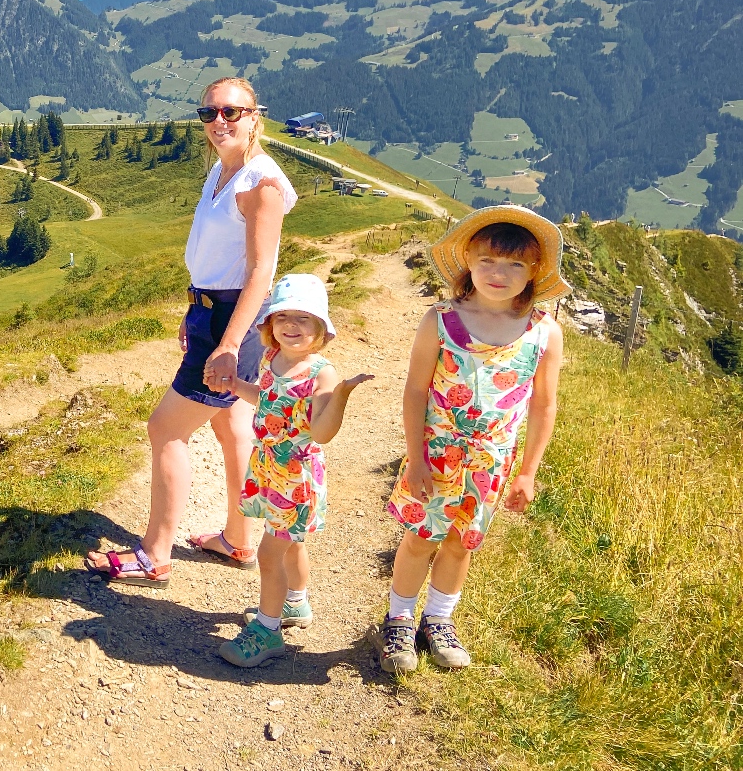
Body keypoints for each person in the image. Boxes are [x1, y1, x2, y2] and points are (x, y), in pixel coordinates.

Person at [86, 78, 297, 587]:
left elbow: (259, 273)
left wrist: (226, 343)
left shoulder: (260, 184)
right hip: (213, 311)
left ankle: (154, 553)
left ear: (255, 116)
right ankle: (240, 538)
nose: (218, 122)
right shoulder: (225, 173)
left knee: (166, 428)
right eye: (209, 113)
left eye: (231, 111)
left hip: (233, 323)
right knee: (231, 425)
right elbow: (216, 256)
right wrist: (194, 303)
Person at [374, 206, 567, 672]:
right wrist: (416, 459)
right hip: (437, 456)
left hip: (492, 463)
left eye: (515, 264)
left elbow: (543, 406)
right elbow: (416, 391)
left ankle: (438, 621)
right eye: (486, 261)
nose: (498, 274)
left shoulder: (543, 332)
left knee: (463, 542)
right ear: (468, 263)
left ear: (535, 270)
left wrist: (528, 473)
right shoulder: (440, 321)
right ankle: (399, 621)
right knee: (421, 536)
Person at [218, 274, 373, 666]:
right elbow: (267, 400)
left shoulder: (321, 372)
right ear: (269, 325)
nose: (291, 325)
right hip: (270, 469)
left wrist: (340, 397)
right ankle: (295, 605)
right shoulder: (272, 360)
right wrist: (235, 385)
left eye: (303, 318)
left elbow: (321, 432)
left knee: (270, 554)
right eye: (282, 316)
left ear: (321, 327)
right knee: (291, 544)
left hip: (296, 477)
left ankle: (267, 631)